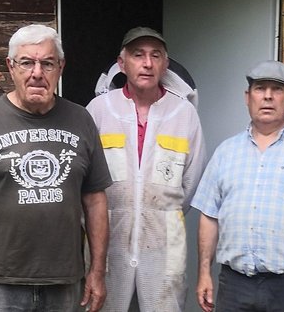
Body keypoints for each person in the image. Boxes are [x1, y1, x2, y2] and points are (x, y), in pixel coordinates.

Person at [0, 24, 113, 312]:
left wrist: (97, 272)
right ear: (10, 67)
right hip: (0, 282)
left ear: (60, 67)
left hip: (65, 281)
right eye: (26, 62)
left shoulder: (81, 120)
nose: (37, 73)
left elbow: (96, 201)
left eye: (47, 63)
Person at [191, 60, 284, 312]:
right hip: (235, 285)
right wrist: (204, 273)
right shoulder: (226, 152)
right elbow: (209, 215)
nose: (268, 97)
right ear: (247, 97)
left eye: (277, 89)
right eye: (260, 88)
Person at [86, 27, 206, 311]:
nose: (147, 63)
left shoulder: (184, 114)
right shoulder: (98, 110)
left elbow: (191, 183)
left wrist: (157, 211)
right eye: (138, 55)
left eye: (155, 55)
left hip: (163, 241)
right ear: (122, 63)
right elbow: (84, 181)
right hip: (109, 240)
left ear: (165, 64)